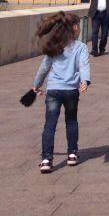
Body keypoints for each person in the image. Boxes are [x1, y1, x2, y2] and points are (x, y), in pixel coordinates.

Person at [32, 12, 90, 174]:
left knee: (50, 124)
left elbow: (44, 68)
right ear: (74, 28)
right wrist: (85, 80)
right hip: (71, 90)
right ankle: (72, 153)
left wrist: (36, 85)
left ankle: (46, 159)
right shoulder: (81, 47)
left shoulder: (55, 46)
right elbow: (83, 66)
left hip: (54, 90)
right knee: (71, 121)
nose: (79, 28)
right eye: (77, 25)